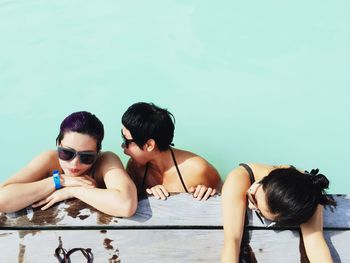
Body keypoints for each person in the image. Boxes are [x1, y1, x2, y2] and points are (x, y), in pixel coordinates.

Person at [0, 111, 137, 217]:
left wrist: (73, 190)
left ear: (97, 152)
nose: (74, 163)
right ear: (58, 145)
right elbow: (2, 199)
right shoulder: (49, 160)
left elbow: (126, 205)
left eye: (86, 157)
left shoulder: (105, 161)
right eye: (66, 153)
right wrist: (59, 180)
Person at [221, 163, 336, 263]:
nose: (250, 206)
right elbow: (232, 241)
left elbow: (315, 243)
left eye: (259, 211)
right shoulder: (239, 178)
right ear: (265, 179)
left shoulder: (306, 193)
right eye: (254, 197)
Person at [121, 102, 221, 201]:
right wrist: (149, 195)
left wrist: (210, 194)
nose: (122, 146)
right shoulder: (135, 168)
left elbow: (226, 197)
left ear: (149, 145)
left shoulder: (197, 170)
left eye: (127, 141)